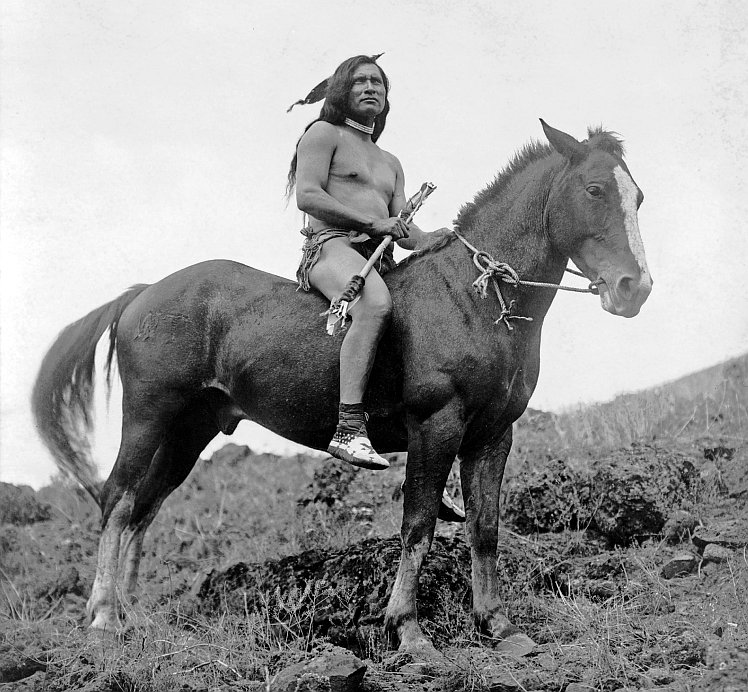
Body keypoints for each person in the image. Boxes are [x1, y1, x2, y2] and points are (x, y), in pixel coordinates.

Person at [286, 54, 433, 471]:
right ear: (341, 91)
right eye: (360, 81)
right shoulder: (322, 133)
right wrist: (372, 221)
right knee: (373, 303)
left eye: (378, 83)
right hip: (331, 247)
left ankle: (424, 460)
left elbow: (407, 232)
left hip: (378, 260)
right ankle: (348, 428)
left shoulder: (391, 163)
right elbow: (308, 195)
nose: (371, 88)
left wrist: (444, 238)